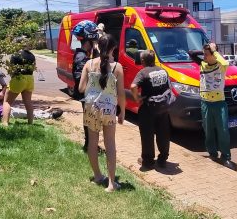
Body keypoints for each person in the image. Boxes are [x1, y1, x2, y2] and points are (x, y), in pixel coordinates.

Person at [78, 34, 125, 192]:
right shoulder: (117, 67)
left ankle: (98, 176)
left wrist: (94, 88)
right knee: (110, 144)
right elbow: (121, 94)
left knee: (93, 141)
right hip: (109, 109)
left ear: (97, 47)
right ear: (114, 48)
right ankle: (112, 183)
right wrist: (122, 112)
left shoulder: (89, 64)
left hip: (91, 108)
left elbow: (81, 89)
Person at [189, 43, 235, 170]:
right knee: (208, 130)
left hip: (219, 103)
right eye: (203, 54)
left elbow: (225, 63)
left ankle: (225, 157)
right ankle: (212, 154)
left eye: (206, 55)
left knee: (223, 131)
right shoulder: (202, 64)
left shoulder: (221, 66)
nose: (204, 56)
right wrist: (205, 49)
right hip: (206, 103)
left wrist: (214, 51)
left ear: (214, 55)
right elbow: (191, 53)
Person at [131, 50, 174, 170]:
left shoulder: (143, 72)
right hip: (163, 107)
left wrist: (137, 98)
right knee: (163, 134)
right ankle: (163, 159)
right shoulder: (163, 70)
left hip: (148, 108)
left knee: (147, 134)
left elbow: (133, 86)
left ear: (143, 61)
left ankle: (148, 161)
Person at [72, 21, 100, 152]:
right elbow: (80, 78)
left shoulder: (87, 55)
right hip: (87, 95)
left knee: (91, 120)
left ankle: (91, 144)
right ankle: (89, 146)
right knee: (90, 121)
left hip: (90, 95)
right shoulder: (82, 57)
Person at [1, 44, 36, 126]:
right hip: (30, 78)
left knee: (7, 102)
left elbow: (11, 70)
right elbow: (34, 67)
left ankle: (5, 123)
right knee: (28, 101)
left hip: (19, 78)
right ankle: (30, 122)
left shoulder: (15, 55)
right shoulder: (32, 55)